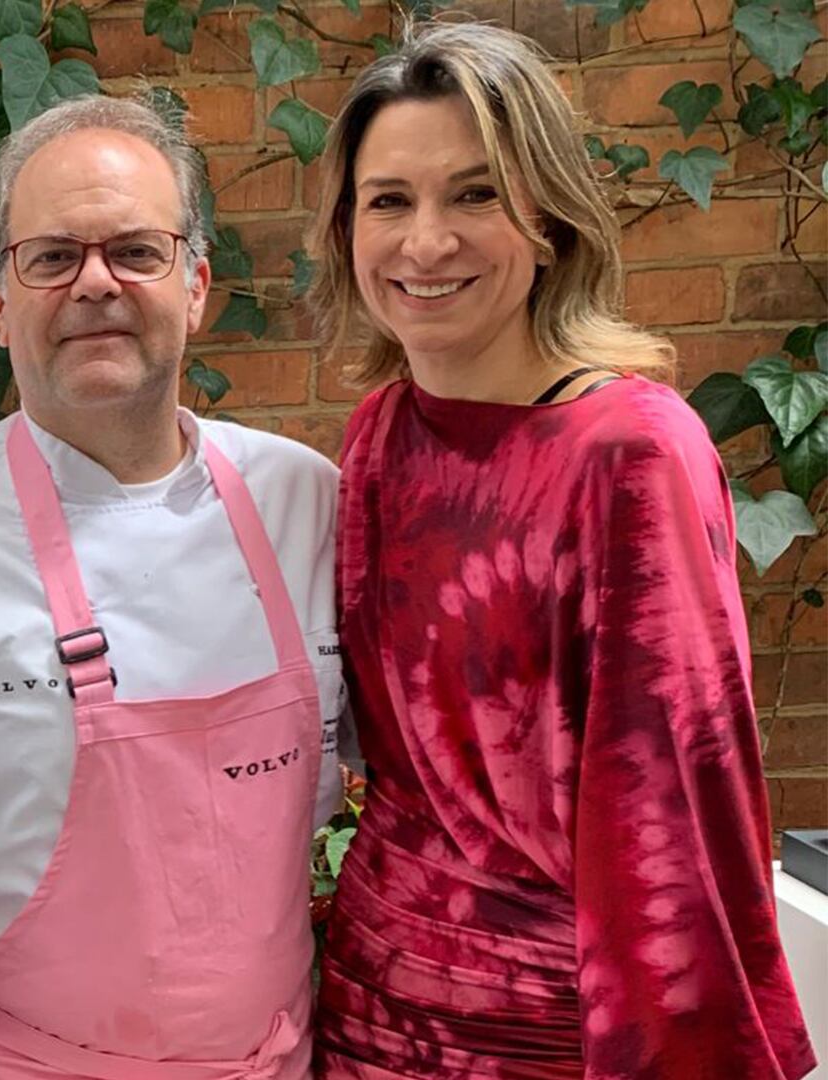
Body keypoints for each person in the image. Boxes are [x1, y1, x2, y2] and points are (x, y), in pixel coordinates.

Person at [0, 94, 351, 1079]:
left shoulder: (304, 502)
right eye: (51, 258)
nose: (96, 283)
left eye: (136, 251)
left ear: (196, 284)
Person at [304, 22, 816, 1079]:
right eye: (389, 200)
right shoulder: (380, 435)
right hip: (368, 1010)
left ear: (547, 218)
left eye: (476, 194)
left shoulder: (632, 453)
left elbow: (676, 812)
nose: (426, 242)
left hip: (557, 1035)